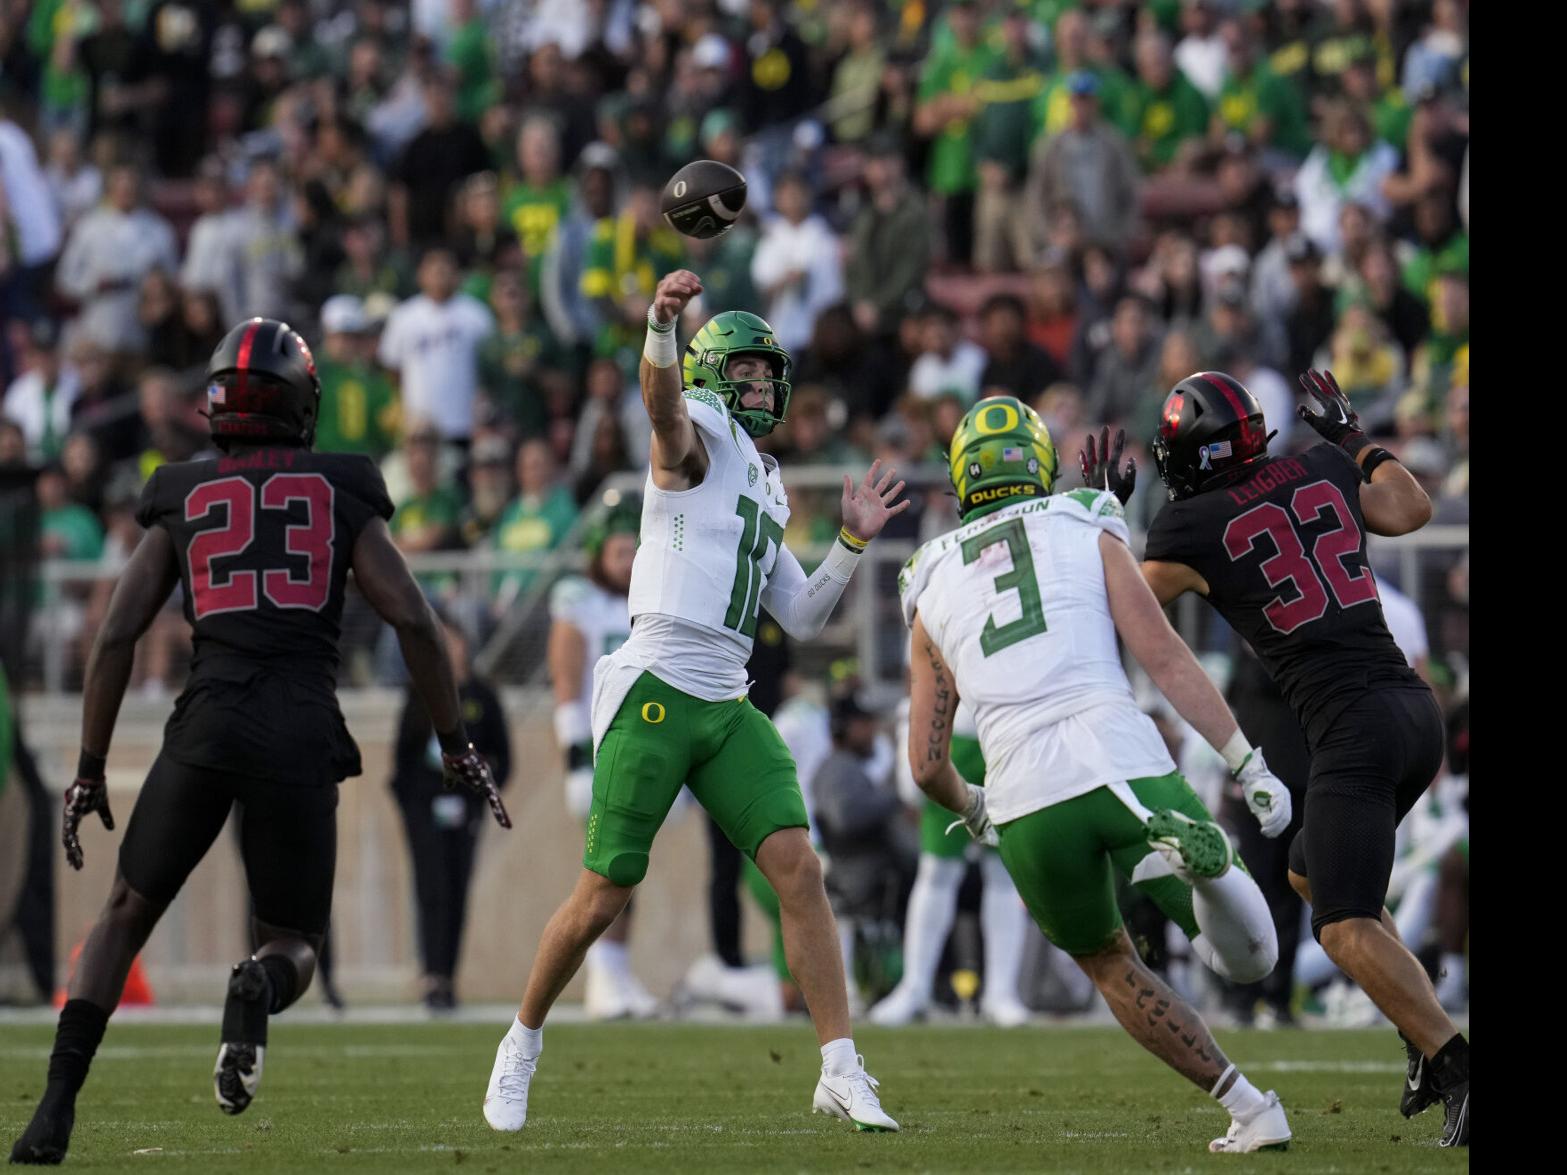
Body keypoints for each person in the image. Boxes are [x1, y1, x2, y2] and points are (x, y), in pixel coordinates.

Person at [9, 317, 510, 1166]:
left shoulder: (181, 493)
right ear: (300, 405)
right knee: (294, 943)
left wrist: (89, 768)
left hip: (207, 719)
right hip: (300, 725)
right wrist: (455, 738)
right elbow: (416, 621)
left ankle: (53, 1108)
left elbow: (117, 634)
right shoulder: (342, 487)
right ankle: (258, 983)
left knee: (124, 912)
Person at [483, 273, 907, 1134]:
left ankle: (838, 1066)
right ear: (714, 375)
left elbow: (800, 612)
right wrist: (660, 326)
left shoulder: (764, 473)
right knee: (604, 892)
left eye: (765, 375)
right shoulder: (699, 427)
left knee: (799, 866)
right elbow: (664, 411)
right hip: (658, 684)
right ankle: (521, 1041)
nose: (761, 388)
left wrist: (853, 539)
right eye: (747, 373)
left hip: (725, 695)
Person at [903, 396, 1295, 1154]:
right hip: (1116, 752)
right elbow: (1163, 654)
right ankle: (1204, 871)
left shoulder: (926, 575)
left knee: (1112, 964)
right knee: (1250, 960)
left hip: (1022, 795)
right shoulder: (1084, 514)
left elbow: (925, 764)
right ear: (1039, 463)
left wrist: (975, 807)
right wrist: (1244, 761)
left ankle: (1249, 1108)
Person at [1092, 368, 1467, 1148]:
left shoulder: (1191, 523)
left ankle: (1454, 1062)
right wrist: (1350, 435)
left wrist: (1096, 515)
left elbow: (1115, 607)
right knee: (1309, 870)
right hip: (1410, 711)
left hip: (1351, 726)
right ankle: (1420, 1032)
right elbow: (1411, 506)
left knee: (1338, 925)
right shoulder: (1324, 463)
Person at [546, 493, 661, 1020]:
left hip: (641, 745)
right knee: (605, 869)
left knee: (629, 867)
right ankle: (600, 977)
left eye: (633, 551)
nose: (628, 562)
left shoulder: (647, 599)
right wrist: (574, 761)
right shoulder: (579, 601)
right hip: (600, 746)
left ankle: (615, 971)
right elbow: (567, 684)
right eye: (619, 551)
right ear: (597, 553)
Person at [870, 699, 1030, 1028]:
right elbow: (919, 669)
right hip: (951, 732)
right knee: (937, 871)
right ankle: (915, 987)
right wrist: (912, 732)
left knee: (1003, 873)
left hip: (1003, 730)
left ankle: (1001, 992)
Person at [391, 613, 511, 1012]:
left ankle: (449, 976)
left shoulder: (482, 695)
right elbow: (402, 759)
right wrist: (411, 806)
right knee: (432, 888)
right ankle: (431, 975)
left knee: (457, 888)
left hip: (466, 809)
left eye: (453, 639)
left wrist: (483, 788)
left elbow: (504, 757)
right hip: (425, 808)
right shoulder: (418, 693)